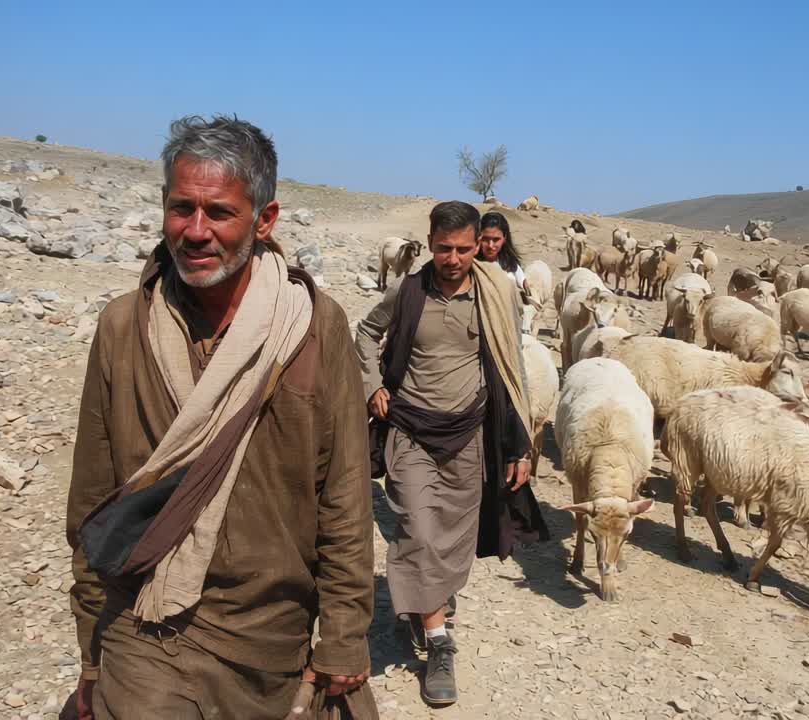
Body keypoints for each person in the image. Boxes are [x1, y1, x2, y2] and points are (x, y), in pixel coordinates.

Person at [64, 115, 376, 720]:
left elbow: (344, 493)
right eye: (182, 208)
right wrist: (92, 651)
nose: (196, 231)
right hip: (146, 619)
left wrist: (342, 634)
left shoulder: (315, 327)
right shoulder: (123, 328)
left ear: (265, 219)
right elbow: (93, 499)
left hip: (272, 629)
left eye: (220, 213)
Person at [355, 200, 549, 707]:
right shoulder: (407, 291)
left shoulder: (496, 292)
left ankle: (428, 601)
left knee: (454, 535)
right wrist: (372, 384)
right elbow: (366, 332)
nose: (454, 258)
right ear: (430, 242)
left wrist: (521, 442)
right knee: (417, 526)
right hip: (411, 429)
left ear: (477, 245)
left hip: (470, 435)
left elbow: (513, 369)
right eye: (444, 248)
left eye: (464, 249)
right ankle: (438, 643)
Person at [477, 211, 526, 290]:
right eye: (485, 239)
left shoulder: (511, 266)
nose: (490, 245)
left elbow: (526, 291)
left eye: (496, 240)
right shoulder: (471, 266)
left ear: (504, 238)